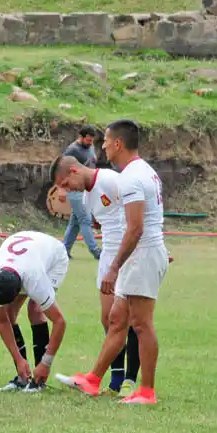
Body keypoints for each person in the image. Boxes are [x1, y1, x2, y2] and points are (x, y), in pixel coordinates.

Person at [57, 119, 169, 405]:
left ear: (118, 143)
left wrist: (114, 266)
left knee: (141, 324)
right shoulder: (139, 172)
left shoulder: (130, 177)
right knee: (117, 320)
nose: (102, 146)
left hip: (140, 254)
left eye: (105, 141)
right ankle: (93, 379)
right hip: (140, 254)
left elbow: (135, 228)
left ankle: (146, 391)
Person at [53, 154, 140, 397]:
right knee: (108, 319)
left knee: (131, 321)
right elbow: (107, 218)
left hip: (125, 258)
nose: (67, 190)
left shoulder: (112, 180)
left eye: (66, 184)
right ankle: (115, 378)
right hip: (107, 258)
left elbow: (139, 211)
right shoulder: (87, 196)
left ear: (73, 171)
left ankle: (129, 381)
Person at [0, 231, 68, 393]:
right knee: (8, 314)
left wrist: (46, 363)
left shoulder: (34, 279)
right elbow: (2, 321)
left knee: (35, 310)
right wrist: (18, 359)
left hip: (54, 256)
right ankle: (22, 377)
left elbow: (60, 322)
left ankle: (39, 380)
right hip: (27, 252)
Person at [61, 125, 101, 260]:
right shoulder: (72, 150)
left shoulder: (90, 147)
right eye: (88, 140)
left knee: (75, 223)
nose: (90, 143)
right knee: (85, 220)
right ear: (81, 137)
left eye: (92, 141)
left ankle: (63, 251)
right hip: (75, 190)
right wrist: (61, 188)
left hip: (87, 189)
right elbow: (62, 167)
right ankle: (96, 252)